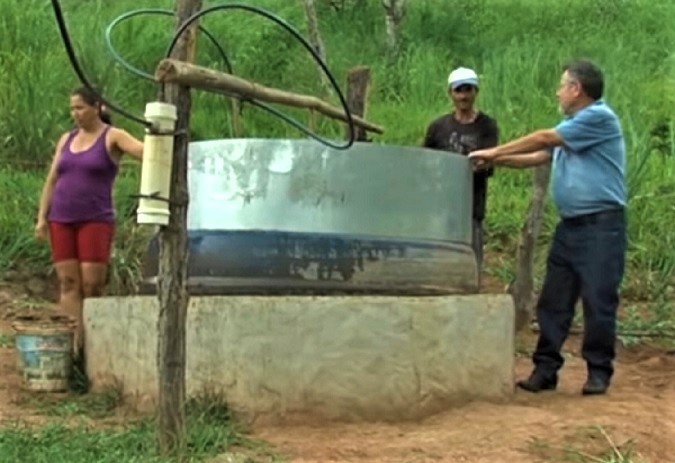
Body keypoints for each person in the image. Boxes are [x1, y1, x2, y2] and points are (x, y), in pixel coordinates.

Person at [469, 59, 627, 395]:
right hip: (571, 227)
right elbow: (540, 155)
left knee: (598, 299)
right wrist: (494, 160)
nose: (558, 91)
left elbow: (543, 139)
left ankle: (599, 371)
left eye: (562, 85)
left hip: (602, 226)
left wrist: (496, 149)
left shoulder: (598, 117)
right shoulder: (574, 126)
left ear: (576, 89)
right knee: (555, 299)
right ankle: (546, 370)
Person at [35, 86, 144, 358]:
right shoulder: (67, 139)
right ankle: (72, 348)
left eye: (80, 107)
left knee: (92, 285)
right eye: (72, 108)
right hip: (62, 217)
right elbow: (52, 180)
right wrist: (42, 218)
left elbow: (146, 152)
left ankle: (95, 350)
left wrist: (163, 133)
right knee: (68, 283)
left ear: (98, 107)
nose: (76, 114)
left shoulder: (113, 136)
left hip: (95, 219)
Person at [423, 66, 499, 278]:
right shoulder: (438, 127)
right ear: (451, 93)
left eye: (468, 90)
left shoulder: (487, 126)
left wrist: (479, 164)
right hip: (442, 203)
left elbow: (490, 159)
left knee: (471, 254)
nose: (464, 96)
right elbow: (425, 161)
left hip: (472, 201)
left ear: (476, 92)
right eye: (459, 90)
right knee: (440, 254)